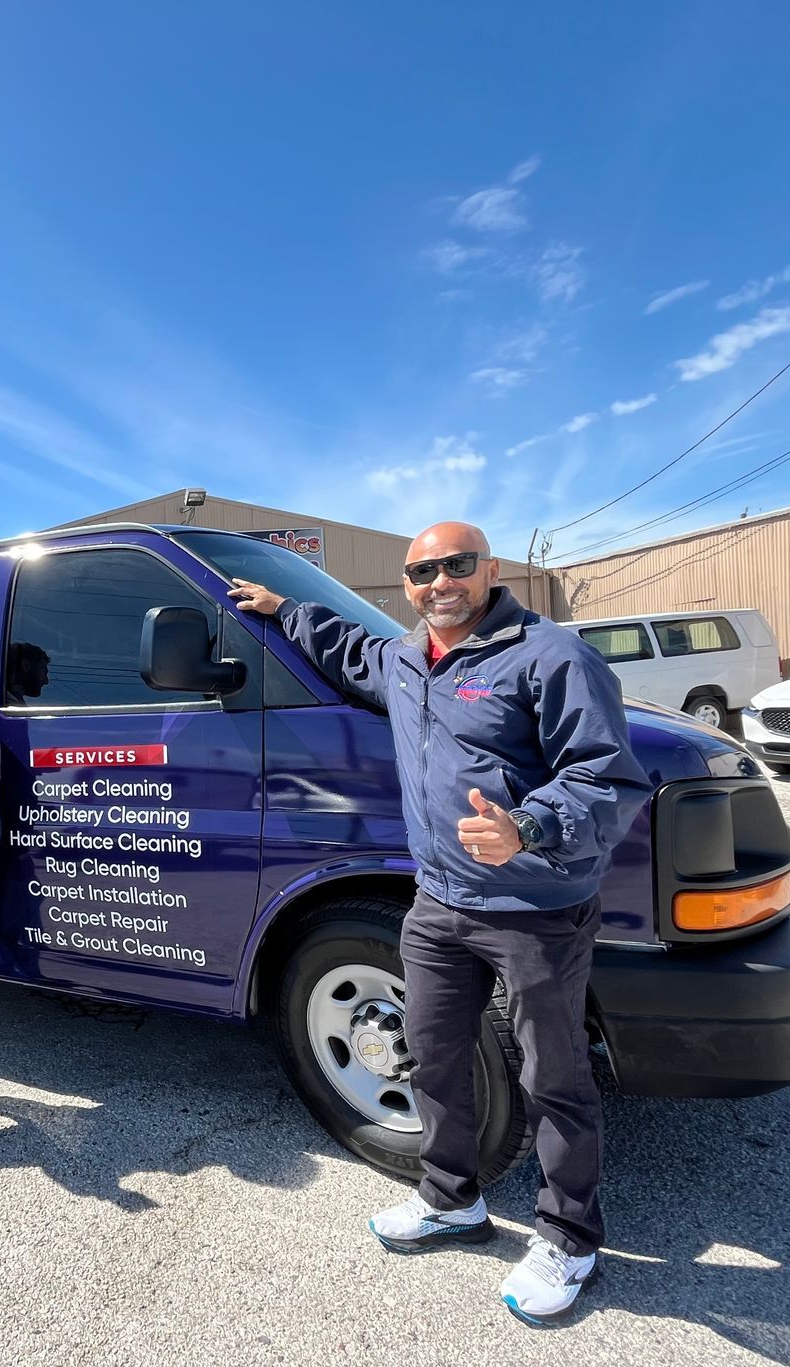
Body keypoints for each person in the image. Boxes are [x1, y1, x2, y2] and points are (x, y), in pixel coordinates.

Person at [229, 522, 651, 1325]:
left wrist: (528, 826)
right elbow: (346, 644)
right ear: (408, 585)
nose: (440, 582)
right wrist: (284, 607)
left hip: (534, 907)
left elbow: (606, 773)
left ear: (490, 570)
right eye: (423, 572)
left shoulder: (549, 655)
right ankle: (452, 1200)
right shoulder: (407, 658)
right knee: (433, 1054)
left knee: (551, 1079)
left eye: (457, 565)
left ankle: (568, 1238)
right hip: (437, 903)